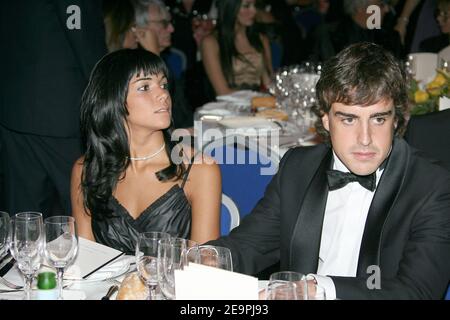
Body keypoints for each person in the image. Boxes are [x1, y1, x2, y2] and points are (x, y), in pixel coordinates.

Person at [208, 42, 450, 300]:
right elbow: (250, 245)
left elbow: (418, 293)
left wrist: (320, 291)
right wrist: (206, 258)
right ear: (325, 120)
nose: (365, 138)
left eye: (379, 119)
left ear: (397, 120)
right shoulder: (298, 168)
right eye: (348, 119)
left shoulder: (432, 186)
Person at [71, 49, 221, 255]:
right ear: (113, 100)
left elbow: (204, 266)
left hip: (174, 286)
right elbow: (85, 261)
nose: (163, 94)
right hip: (107, 288)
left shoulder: (198, 170)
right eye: (144, 87)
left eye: (163, 84)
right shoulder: (87, 169)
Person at [0, 1, 107, 217]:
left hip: (14, 105)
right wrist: (107, 87)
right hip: (62, 109)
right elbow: (82, 34)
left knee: (24, 215)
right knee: (82, 209)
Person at [201, 0, 273, 97]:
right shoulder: (211, 43)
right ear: (230, 7)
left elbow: (269, 83)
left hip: (258, 105)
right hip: (225, 108)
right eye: (246, 6)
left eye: (254, 5)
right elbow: (222, 92)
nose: (254, 11)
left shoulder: (260, 39)